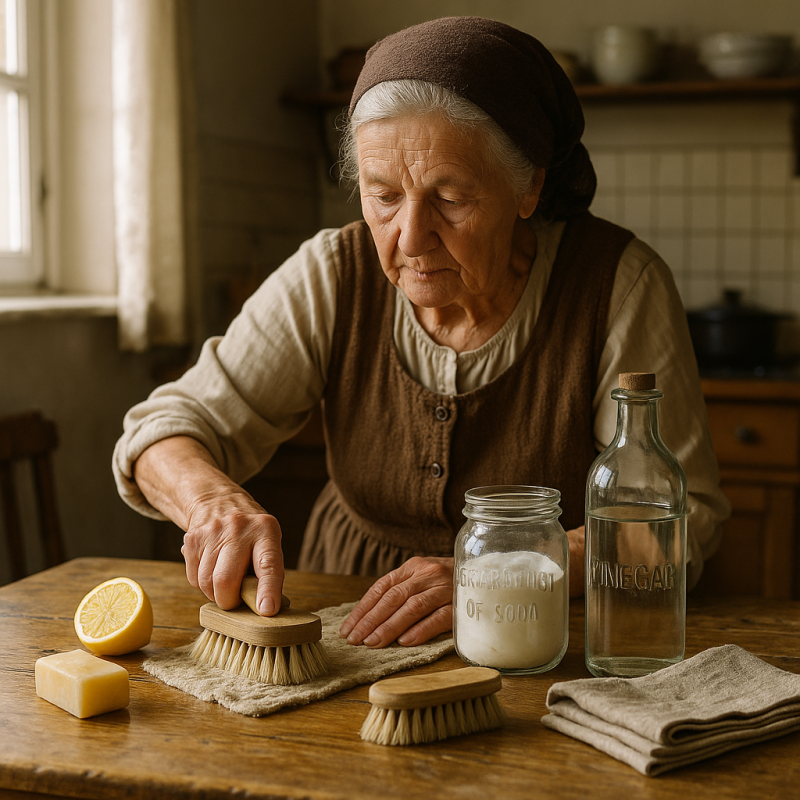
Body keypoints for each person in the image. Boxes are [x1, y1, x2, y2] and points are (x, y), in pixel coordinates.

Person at [113, 16, 730, 650]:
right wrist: (211, 502)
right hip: (349, 622)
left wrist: (497, 574)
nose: (410, 238)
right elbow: (159, 432)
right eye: (383, 196)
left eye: (451, 199)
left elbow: (682, 521)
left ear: (529, 185)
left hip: (536, 637)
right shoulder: (333, 273)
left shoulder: (618, 285)